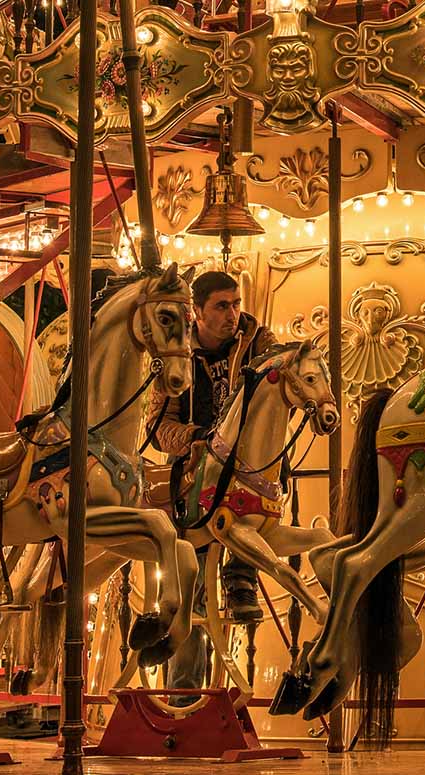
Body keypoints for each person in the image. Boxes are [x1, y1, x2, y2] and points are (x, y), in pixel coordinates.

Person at [144, 270, 278, 695]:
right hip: (196, 481)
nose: (233, 314)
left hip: (250, 476)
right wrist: (198, 438)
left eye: (236, 303)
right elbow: (156, 429)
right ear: (196, 312)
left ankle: (242, 574)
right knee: (192, 592)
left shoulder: (257, 344)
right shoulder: (176, 358)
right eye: (222, 306)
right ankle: (184, 694)